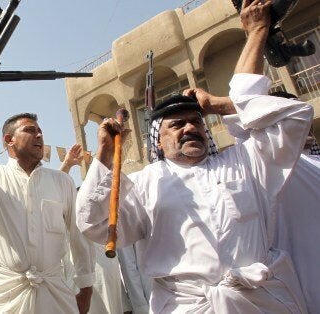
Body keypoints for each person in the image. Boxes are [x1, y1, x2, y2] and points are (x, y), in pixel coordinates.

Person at [75, 0, 312, 311]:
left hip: (262, 300)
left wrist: (216, 105)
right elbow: (94, 224)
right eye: (177, 125)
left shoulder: (244, 162)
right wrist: (106, 153)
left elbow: (293, 118)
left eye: (196, 122)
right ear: (158, 140)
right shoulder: (145, 183)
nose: (190, 128)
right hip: (188, 306)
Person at [182, 87, 320, 313]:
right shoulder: (261, 163)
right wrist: (215, 104)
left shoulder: (313, 164)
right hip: (298, 293)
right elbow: (246, 85)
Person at [0, 113, 94, 313]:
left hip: (55, 293)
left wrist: (86, 289)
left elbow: (78, 236)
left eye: (40, 131)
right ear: (9, 140)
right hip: (4, 295)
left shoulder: (61, 182)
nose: (39, 135)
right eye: (30, 130)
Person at [59, 143, 125, 314]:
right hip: (83, 274)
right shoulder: (72, 212)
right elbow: (55, 194)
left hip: (101, 271)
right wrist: (66, 165)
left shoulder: (107, 213)